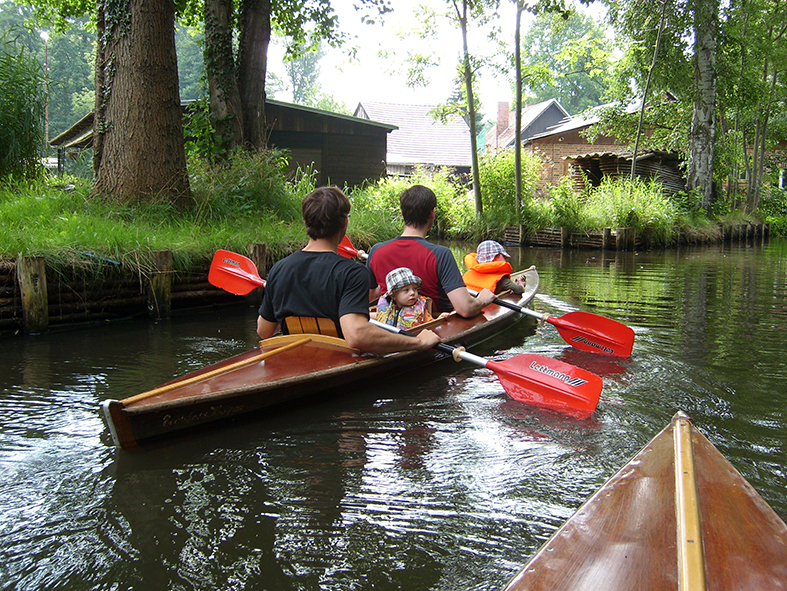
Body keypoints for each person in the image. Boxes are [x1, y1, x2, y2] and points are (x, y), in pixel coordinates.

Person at [256, 186, 441, 354]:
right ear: (344, 223)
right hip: (338, 358)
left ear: (306, 223)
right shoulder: (353, 273)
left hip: (293, 356)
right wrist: (418, 342)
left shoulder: (279, 269)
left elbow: (264, 331)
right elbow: (357, 336)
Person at [366, 184, 496, 317]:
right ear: (433, 213)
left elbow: (370, 298)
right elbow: (465, 309)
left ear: (402, 213)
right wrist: (482, 300)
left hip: (391, 323)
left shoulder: (376, 251)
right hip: (435, 324)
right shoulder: (441, 254)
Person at [375, 267, 445, 330]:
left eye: (415, 289)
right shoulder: (385, 308)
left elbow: (432, 325)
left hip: (413, 342)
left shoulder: (421, 308)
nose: (412, 293)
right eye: (406, 290)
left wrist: (439, 320)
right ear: (393, 295)